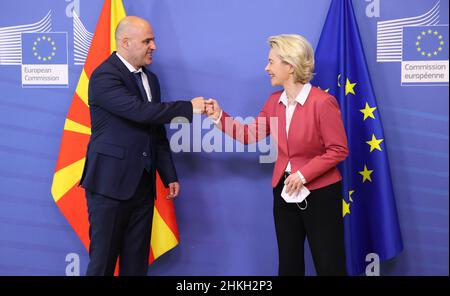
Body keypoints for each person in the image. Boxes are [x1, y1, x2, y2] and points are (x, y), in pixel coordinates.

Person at [206, 34, 349, 275]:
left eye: (271, 62)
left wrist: (303, 174)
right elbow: (248, 135)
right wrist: (220, 116)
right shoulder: (274, 102)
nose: (266, 68)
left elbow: (338, 150)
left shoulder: (323, 103)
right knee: (288, 265)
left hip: (321, 195)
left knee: (329, 265)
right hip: (283, 193)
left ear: (290, 66)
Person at [79, 16, 206, 276]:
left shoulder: (152, 80)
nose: (154, 47)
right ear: (125, 42)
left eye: (153, 40)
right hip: (109, 186)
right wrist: (187, 108)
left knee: (136, 266)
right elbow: (141, 112)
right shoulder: (104, 76)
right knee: (102, 264)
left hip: (143, 187)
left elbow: (156, 131)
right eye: (147, 41)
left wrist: (168, 174)